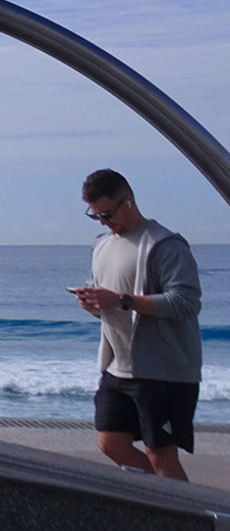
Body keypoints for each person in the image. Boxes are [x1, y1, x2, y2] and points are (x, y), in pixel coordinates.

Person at [71, 168, 202, 481]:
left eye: (107, 213)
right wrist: (94, 304)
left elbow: (186, 303)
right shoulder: (101, 246)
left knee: (161, 455)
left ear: (128, 201)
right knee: (111, 443)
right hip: (118, 366)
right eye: (95, 215)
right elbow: (110, 304)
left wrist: (122, 300)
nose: (102, 221)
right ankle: (161, 502)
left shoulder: (165, 245)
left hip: (163, 371)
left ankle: (182, 520)